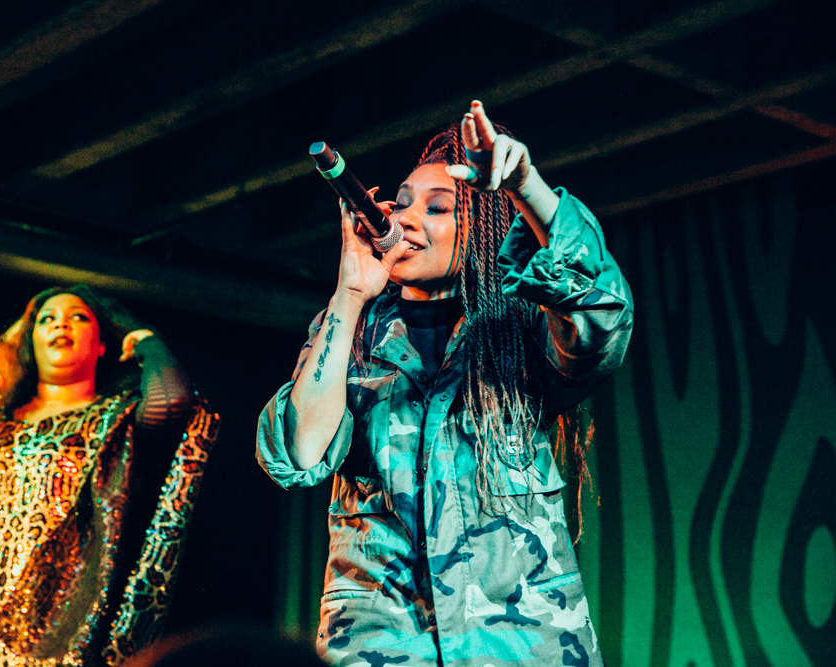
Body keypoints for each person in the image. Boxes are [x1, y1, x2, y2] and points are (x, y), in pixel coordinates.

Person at [256, 101, 633, 665]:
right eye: (401, 203)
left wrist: (526, 186)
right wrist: (351, 294)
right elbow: (296, 454)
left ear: (481, 229)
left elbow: (603, 312)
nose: (407, 219)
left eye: (438, 208)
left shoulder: (521, 326)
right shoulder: (350, 333)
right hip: (379, 643)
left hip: (523, 644)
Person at [0, 284, 218, 667]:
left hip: (53, 638)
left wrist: (143, 339)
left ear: (102, 344)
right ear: (31, 343)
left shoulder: (116, 420)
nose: (61, 323)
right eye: (47, 319)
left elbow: (174, 401)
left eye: (78, 317)